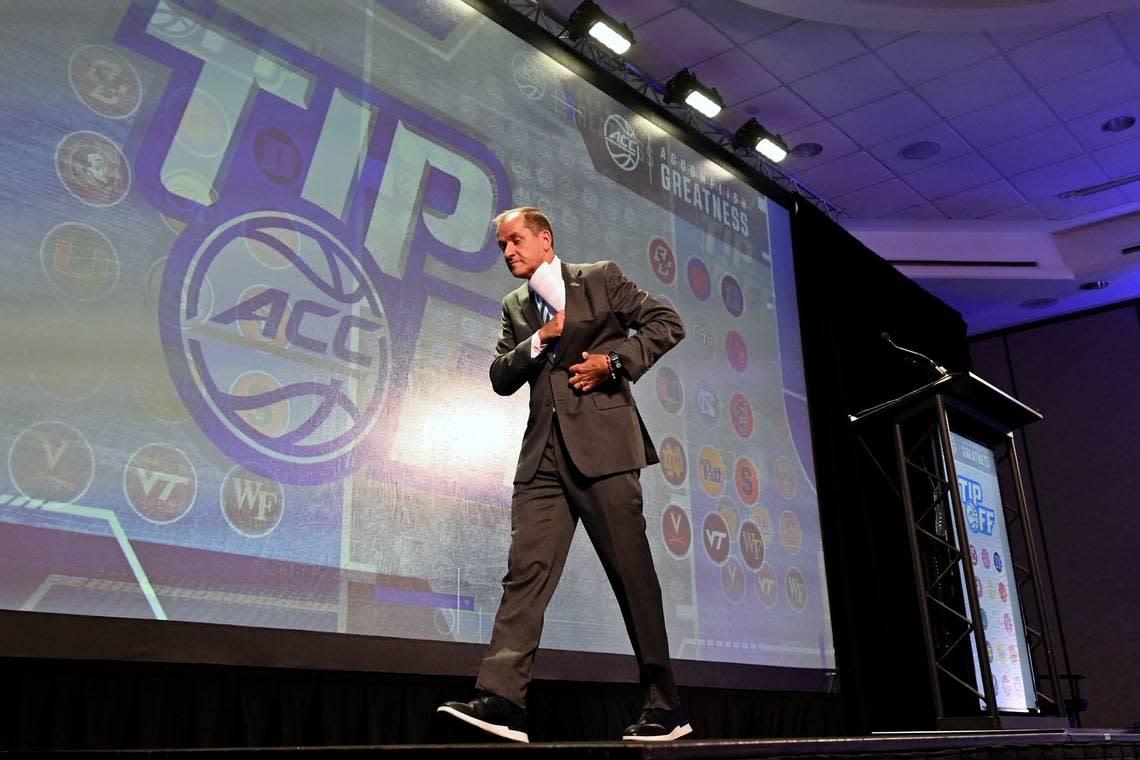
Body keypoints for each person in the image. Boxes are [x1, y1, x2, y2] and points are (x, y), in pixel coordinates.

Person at [437, 207, 690, 743]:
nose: (508, 252)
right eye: (502, 246)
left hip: (605, 453)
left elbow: (667, 323)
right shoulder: (515, 306)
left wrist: (613, 364)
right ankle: (504, 699)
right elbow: (500, 375)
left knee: (632, 578)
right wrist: (540, 340)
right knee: (524, 575)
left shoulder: (598, 278)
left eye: (516, 241)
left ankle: (665, 705)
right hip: (542, 462)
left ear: (545, 237)